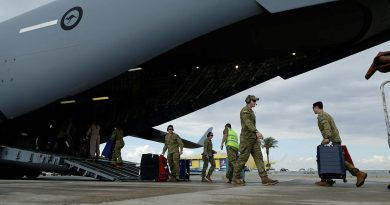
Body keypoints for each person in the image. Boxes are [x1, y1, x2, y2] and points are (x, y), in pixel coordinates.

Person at [313, 101, 367, 187]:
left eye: (313, 108)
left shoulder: (322, 116)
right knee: (336, 160)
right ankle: (328, 179)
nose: (313, 110)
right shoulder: (326, 115)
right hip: (335, 139)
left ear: (316, 107)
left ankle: (358, 174)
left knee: (329, 159)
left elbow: (327, 127)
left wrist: (326, 138)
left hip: (332, 139)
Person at [233, 95, 278, 185]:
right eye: (254, 100)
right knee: (243, 159)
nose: (255, 102)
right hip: (246, 139)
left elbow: (252, 124)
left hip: (253, 139)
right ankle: (236, 177)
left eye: (255, 101)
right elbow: (248, 123)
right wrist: (256, 131)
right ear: (249, 101)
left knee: (259, 158)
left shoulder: (251, 112)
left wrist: (256, 135)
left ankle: (264, 178)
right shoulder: (244, 111)